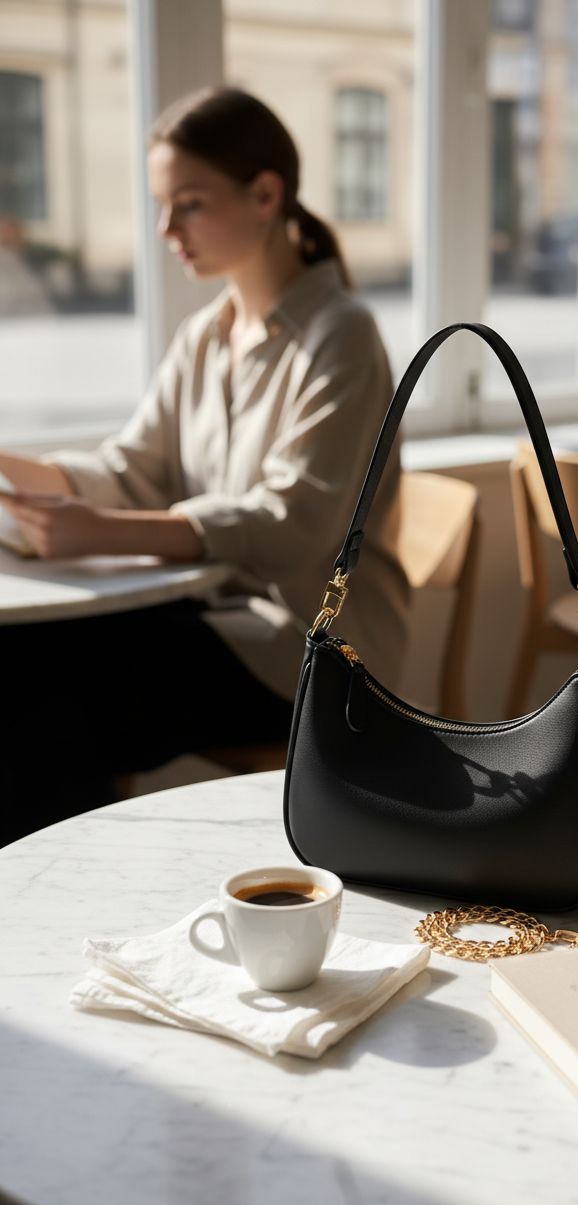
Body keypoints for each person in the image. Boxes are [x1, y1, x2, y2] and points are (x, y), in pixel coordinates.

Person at [0, 85, 407, 841]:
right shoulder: (205, 335)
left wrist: (100, 534)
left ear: (264, 193)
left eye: (188, 203)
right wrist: (15, 473)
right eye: (162, 205)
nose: (166, 229)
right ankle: (59, 902)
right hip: (216, 619)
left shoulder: (342, 336)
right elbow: (134, 468)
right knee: (24, 668)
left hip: (314, 654)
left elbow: (295, 526)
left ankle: (55, 901)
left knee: (42, 695)